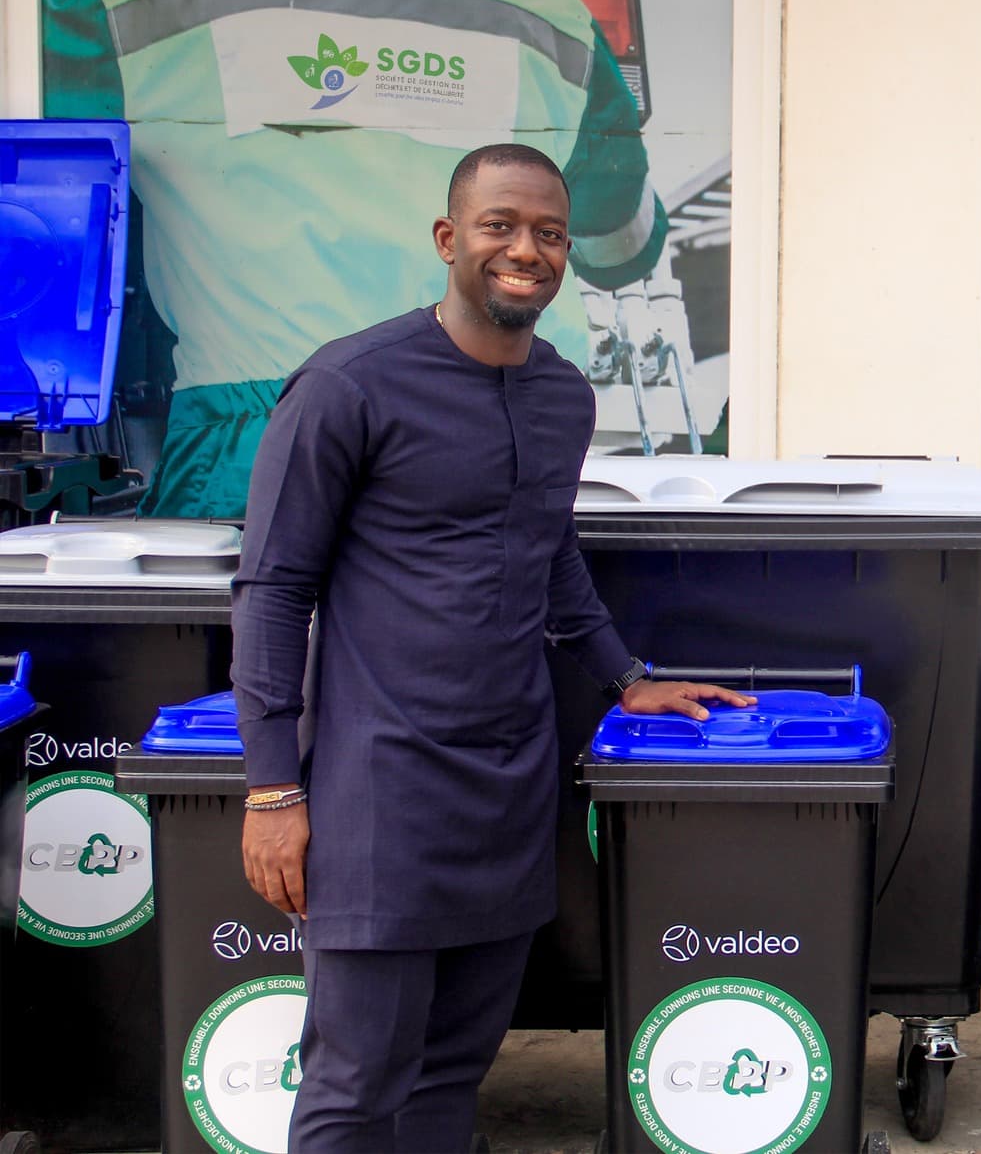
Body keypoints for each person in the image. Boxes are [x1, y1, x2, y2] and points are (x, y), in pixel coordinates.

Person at [231, 144, 748, 1151]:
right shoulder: (348, 386)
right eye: (500, 226)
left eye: (548, 233)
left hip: (509, 784)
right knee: (356, 1077)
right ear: (447, 239)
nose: (527, 250)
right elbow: (271, 587)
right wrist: (270, 789)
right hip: (378, 793)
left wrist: (623, 678)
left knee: (452, 1072)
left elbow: (548, 549)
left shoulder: (560, 396)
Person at [43, 0, 685, 518]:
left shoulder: (133, 2)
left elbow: (42, 174)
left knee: (256, 628)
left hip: (263, 441)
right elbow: (621, 241)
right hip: (499, 436)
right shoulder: (546, 12)